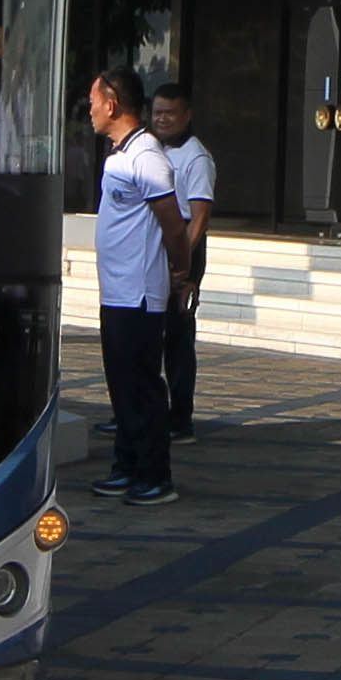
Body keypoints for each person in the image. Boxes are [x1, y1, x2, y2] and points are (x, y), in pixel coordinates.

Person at [83, 69, 181, 504]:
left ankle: (155, 474)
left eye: (92, 101)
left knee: (141, 385)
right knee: (121, 386)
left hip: (139, 293)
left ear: (112, 104)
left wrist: (181, 272)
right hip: (116, 291)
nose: (88, 110)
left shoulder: (147, 156)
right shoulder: (119, 154)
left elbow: (173, 224)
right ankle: (127, 464)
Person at [150, 83, 216, 436]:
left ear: (187, 116)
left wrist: (182, 265)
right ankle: (142, 409)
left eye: (170, 112)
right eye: (157, 112)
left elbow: (200, 217)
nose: (162, 119)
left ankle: (180, 418)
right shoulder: (152, 150)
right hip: (153, 254)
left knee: (177, 338)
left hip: (183, 255)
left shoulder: (196, 157)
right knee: (146, 337)